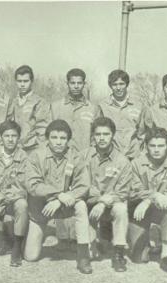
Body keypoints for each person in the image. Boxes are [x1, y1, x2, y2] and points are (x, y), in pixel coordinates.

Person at [24, 120, 92, 274]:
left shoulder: (75, 157)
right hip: (41, 207)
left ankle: (83, 255)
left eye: (63, 138)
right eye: (54, 137)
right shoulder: (36, 155)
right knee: (30, 256)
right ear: (47, 139)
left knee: (80, 206)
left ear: (68, 140)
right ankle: (34, 236)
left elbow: (83, 185)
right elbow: (32, 184)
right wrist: (58, 195)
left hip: (66, 205)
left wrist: (62, 199)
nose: (59, 142)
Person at [49, 68, 102, 250]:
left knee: (85, 195)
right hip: (61, 157)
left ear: (84, 84)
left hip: (85, 159)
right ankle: (63, 238)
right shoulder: (56, 106)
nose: (76, 86)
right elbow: (49, 133)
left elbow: (98, 134)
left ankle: (88, 240)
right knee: (62, 192)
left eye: (80, 83)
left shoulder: (92, 108)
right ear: (67, 83)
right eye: (73, 82)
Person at [128, 127, 167, 273]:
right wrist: (154, 196)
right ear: (146, 146)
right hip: (139, 209)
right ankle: (149, 242)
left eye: (161, 146)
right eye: (152, 146)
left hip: (161, 208)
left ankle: (165, 255)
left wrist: (149, 199)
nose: (157, 150)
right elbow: (133, 191)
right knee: (138, 258)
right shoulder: (136, 163)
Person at [82, 117, 132, 272]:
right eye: (98, 134)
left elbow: (123, 191)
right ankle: (90, 244)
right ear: (93, 136)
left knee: (121, 209)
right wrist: (98, 198)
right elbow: (80, 185)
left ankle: (118, 253)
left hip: (111, 203)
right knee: (92, 255)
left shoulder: (122, 161)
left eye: (106, 134)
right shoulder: (83, 157)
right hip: (89, 202)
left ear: (113, 135)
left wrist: (104, 202)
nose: (102, 138)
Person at [0, 120, 29, 267]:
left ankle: (17, 247)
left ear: (19, 137)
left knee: (22, 204)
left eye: (14, 136)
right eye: (6, 135)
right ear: (0, 137)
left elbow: (22, 187)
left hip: (12, 202)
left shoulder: (24, 157)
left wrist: (1, 197)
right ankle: (1, 229)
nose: (10, 139)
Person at [99, 69, 144, 160]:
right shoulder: (103, 106)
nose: (118, 88)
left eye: (121, 84)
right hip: (110, 155)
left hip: (133, 156)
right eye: (115, 84)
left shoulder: (138, 105)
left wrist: (140, 153)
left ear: (126, 84)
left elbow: (142, 133)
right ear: (110, 86)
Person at [6, 65, 50, 153]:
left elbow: (43, 129)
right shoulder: (12, 102)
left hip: (33, 149)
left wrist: (38, 149)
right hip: (14, 149)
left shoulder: (39, 102)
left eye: (26, 81)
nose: (22, 84)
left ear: (32, 81)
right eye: (19, 81)